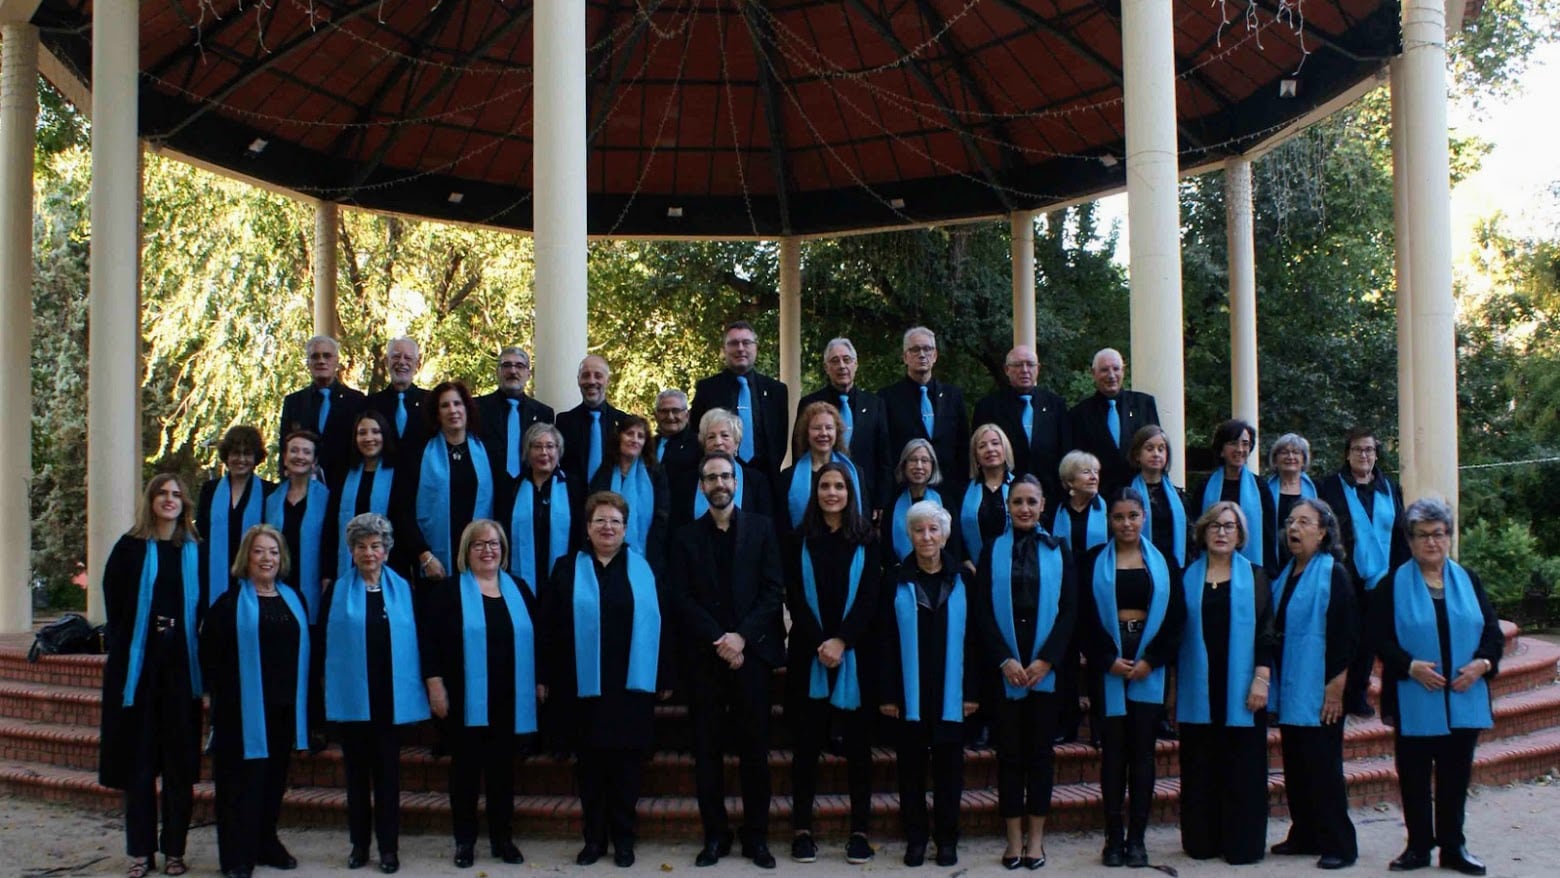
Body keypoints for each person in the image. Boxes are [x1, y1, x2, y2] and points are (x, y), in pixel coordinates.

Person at [1369, 498, 1502, 876]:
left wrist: (1482, 663)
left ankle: (1453, 847)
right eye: (1423, 535)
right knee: (1412, 777)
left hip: (1464, 693)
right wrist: (1409, 666)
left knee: (1455, 777)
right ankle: (1417, 847)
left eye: (1439, 534)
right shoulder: (1392, 584)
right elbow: (1378, 637)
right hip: (1415, 696)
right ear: (1410, 542)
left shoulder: (1468, 579)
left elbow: (1492, 631)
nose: (1432, 542)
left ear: (1449, 537)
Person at [540, 492, 672, 868]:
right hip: (582, 687)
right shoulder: (566, 568)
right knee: (591, 770)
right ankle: (593, 840)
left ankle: (624, 840)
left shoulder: (644, 570)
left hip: (631, 688)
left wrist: (663, 674)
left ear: (626, 528)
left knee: (628, 770)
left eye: (615, 521)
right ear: (587, 527)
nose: (607, 527)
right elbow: (549, 628)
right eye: (600, 520)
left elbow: (663, 626)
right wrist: (544, 676)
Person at [669, 451, 785, 869]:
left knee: (755, 752)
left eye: (725, 476)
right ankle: (714, 835)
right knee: (708, 753)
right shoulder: (685, 537)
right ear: (701, 486)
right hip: (705, 658)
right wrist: (719, 638)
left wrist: (740, 637)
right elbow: (680, 597)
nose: (719, 483)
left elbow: (774, 590)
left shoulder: (762, 529)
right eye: (711, 478)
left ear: (736, 482)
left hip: (751, 656)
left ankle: (757, 837)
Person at [99, 475, 204, 878]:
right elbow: (116, 607)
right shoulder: (128, 549)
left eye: (177, 494)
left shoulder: (194, 550)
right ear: (150, 500)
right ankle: (140, 852)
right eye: (162, 493)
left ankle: (175, 850)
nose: (169, 500)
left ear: (185, 504)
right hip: (138, 672)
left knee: (179, 767)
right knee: (139, 767)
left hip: (182, 670)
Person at [421, 520, 542, 869]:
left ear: (503, 551)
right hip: (463, 699)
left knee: (503, 773)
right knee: (466, 773)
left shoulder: (518, 589)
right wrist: (434, 684)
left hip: (509, 698)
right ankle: (465, 841)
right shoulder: (447, 593)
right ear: (465, 551)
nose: (488, 550)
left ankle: (503, 839)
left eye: (494, 544)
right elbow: (429, 644)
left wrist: (538, 681)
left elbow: (538, 640)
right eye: (479, 544)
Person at [970, 477, 1076, 871]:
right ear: (1008, 507)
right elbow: (981, 610)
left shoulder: (1059, 549)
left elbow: (1069, 608)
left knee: (1041, 756)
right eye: (1017, 502)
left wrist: (1046, 660)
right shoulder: (991, 550)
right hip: (1007, 672)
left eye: (1032, 501)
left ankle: (1036, 841)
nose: (1025, 508)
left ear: (1044, 504)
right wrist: (1005, 660)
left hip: (1045, 670)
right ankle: (1013, 840)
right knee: (1010, 755)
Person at [318, 513, 431, 874]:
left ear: (386, 551)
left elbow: (419, 641)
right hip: (353, 698)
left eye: (376, 546)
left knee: (387, 778)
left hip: (389, 698)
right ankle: (358, 846)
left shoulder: (404, 590)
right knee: (355, 778)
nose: (369, 553)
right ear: (351, 551)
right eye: (361, 546)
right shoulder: (336, 591)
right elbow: (323, 644)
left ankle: (388, 849)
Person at [1078, 487, 1184, 868]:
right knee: (1113, 757)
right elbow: (1083, 619)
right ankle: (1113, 838)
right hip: (1109, 667)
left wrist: (1151, 661)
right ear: (1110, 521)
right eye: (1119, 517)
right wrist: (1106, 658)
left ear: (1144, 519)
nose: (1126, 523)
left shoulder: (1165, 562)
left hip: (1147, 669)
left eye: (1133, 516)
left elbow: (1176, 620)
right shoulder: (1091, 562)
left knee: (1142, 756)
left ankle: (1138, 838)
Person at [783, 463, 881, 865]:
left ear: (850, 492)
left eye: (839, 486)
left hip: (855, 654)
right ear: (815, 492)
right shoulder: (797, 540)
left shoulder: (868, 539)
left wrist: (842, 640)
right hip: (809, 652)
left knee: (858, 750)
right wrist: (823, 641)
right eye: (825, 486)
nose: (832, 492)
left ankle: (860, 831)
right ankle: (802, 831)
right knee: (805, 748)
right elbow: (794, 597)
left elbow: (870, 598)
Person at [203, 525, 311, 878]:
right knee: (238, 785)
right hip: (241, 710)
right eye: (259, 551)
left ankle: (266, 842)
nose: (267, 559)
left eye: (274, 552)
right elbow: (211, 658)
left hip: (283, 709)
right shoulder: (227, 604)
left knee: (273, 780)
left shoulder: (294, 599)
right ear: (246, 557)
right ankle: (236, 857)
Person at [878, 501, 980, 867]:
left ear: (945, 534)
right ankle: (916, 839)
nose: (926, 537)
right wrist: (888, 693)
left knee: (950, 770)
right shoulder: (894, 578)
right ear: (909, 534)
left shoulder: (963, 578)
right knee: (911, 770)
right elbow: (885, 640)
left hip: (951, 690)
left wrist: (971, 691)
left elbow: (975, 640)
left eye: (933, 529)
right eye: (919, 530)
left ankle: (947, 840)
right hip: (910, 691)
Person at [1176, 502, 1275, 865]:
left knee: (1243, 767)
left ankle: (1242, 843)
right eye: (1215, 525)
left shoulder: (1257, 577)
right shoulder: (1186, 577)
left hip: (1243, 688)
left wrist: (1261, 679)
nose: (1221, 532)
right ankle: (1202, 839)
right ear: (1203, 532)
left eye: (1229, 526)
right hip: (1197, 687)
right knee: (1200, 765)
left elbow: (1267, 634)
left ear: (1240, 535)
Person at [1268, 497, 1359, 870]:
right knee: (1297, 766)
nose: (1294, 528)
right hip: (1291, 686)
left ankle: (1340, 842)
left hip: (1321, 690)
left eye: (1304, 522)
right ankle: (1304, 833)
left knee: (1323, 768)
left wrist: (1336, 687)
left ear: (1323, 532)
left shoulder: (1332, 573)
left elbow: (1347, 634)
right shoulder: (1286, 573)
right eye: (1291, 521)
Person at [1319, 426, 1409, 718]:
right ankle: (1336, 690)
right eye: (1358, 449)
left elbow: (1400, 532)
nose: (1364, 455)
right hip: (1345, 575)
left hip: (1383, 577)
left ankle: (1358, 693)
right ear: (1347, 453)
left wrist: (1402, 573)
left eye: (1369, 449)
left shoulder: (1389, 488)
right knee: (1345, 635)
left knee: (1370, 639)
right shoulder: (1329, 487)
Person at [394, 381, 498, 583]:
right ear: (437, 414)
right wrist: (424, 555)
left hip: (479, 559)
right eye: (445, 405)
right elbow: (402, 510)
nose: (453, 410)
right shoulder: (419, 455)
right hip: (433, 564)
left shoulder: (488, 452)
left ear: (467, 408)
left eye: (457, 404)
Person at [689, 320, 790, 489]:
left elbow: (780, 438)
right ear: (724, 350)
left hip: (767, 481)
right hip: (721, 481)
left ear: (755, 347)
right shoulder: (708, 389)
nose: (740, 348)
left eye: (746, 343)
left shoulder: (776, 391)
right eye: (734, 343)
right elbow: (697, 434)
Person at [797, 338, 892, 514]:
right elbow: (800, 450)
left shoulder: (875, 404)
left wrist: (881, 501)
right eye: (835, 361)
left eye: (847, 360)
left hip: (865, 496)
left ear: (856, 364)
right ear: (826, 368)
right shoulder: (810, 404)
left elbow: (883, 456)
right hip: (822, 493)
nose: (842, 366)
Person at [972, 345, 1071, 506]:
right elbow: (978, 451)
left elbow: (1065, 449)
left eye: (1030, 364)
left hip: (1050, 494)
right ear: (1006, 369)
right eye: (1018, 365)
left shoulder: (1056, 405)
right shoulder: (988, 407)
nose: (1024, 370)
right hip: (1004, 494)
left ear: (1038, 369)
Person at [879, 327, 969, 491]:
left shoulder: (953, 396)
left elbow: (963, 446)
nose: (922, 354)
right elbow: (883, 449)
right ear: (905, 357)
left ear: (935, 356)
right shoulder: (887, 398)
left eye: (927, 349)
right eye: (915, 349)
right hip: (904, 490)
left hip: (948, 489)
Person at [197, 425, 273, 604]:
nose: (241, 459)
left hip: (254, 577)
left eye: (247, 454)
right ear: (226, 456)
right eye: (235, 453)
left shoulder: (269, 492)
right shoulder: (210, 490)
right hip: (212, 576)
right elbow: (200, 534)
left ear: (256, 458)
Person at [503, 422, 582, 594]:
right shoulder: (512, 488)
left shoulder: (574, 488)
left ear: (558, 451)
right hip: (520, 581)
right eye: (537, 446)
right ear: (527, 452)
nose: (544, 453)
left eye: (550, 446)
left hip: (564, 580)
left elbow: (581, 534)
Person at [1068, 348, 1159, 496]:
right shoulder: (1079, 414)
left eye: (1116, 369)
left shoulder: (1144, 404)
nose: (1111, 375)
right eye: (1104, 370)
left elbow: (1157, 448)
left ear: (1123, 371)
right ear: (1093, 373)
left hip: (1141, 493)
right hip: (1098, 496)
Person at [278, 335, 366, 483]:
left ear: (337, 361)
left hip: (345, 486)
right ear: (308, 363)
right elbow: (284, 449)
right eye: (315, 356)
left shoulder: (356, 400)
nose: (321, 361)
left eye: (327, 356)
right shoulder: (294, 402)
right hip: (303, 486)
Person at [263, 430, 331, 620]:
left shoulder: (327, 498)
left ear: (315, 461)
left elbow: (331, 543)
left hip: (314, 585)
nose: (300, 456)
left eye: (306, 452)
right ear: (285, 458)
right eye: (294, 451)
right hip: (279, 582)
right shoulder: (272, 500)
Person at [589, 414, 669, 573]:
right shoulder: (604, 473)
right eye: (629, 434)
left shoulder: (656, 473)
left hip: (648, 553)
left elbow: (662, 514)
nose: (635, 439)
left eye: (641, 436)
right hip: (605, 553)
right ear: (619, 437)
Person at [671, 408, 775, 530]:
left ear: (736, 443)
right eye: (711, 437)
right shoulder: (685, 482)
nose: (718, 442)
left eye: (725, 435)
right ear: (704, 444)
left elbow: (765, 529)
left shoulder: (757, 481)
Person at [1192, 419, 1274, 573]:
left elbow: (1269, 535)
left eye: (1245, 444)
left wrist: (1267, 574)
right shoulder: (1204, 486)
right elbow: (1197, 529)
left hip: (1252, 568)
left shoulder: (1261, 488)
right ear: (1221, 449)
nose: (1240, 449)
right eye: (1233, 443)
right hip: (1210, 567)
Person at [326, 411, 397, 581]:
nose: (369, 438)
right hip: (347, 564)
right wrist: (327, 573)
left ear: (384, 435)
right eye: (362, 433)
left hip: (388, 565)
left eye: (375, 431)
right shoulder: (342, 475)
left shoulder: (398, 475)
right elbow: (331, 526)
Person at [779, 401, 865, 532]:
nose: (823, 433)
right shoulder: (788, 477)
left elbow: (864, 518)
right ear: (806, 433)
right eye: (817, 428)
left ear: (837, 432)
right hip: (800, 547)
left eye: (829, 428)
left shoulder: (855, 473)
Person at [475, 346, 555, 487]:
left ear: (528, 374)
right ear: (497, 372)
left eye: (519, 366)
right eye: (507, 365)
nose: (513, 371)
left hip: (529, 490)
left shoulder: (544, 413)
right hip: (487, 489)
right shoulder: (477, 408)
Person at [556, 355, 628, 486]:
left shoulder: (624, 422)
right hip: (573, 502)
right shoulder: (564, 422)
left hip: (613, 501)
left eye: (598, 376)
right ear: (578, 380)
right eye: (586, 375)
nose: (591, 381)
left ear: (608, 381)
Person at [1128, 425, 1190, 571]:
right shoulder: (1127, 494)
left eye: (1161, 449)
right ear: (1137, 455)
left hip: (1173, 567)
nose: (1156, 454)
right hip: (1139, 568)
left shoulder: (1179, 496)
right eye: (1149, 449)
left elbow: (1189, 538)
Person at [956, 423, 1015, 571]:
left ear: (1005, 449)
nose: (990, 449)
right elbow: (955, 533)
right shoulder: (962, 492)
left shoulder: (1020, 487)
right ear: (975, 456)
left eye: (995, 443)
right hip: (974, 572)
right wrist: (966, 560)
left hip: (1016, 570)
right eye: (982, 446)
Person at [883, 439, 949, 564]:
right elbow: (887, 549)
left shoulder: (945, 502)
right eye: (913, 460)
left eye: (924, 461)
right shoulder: (892, 506)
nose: (919, 466)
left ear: (932, 465)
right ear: (904, 465)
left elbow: (953, 545)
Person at [1266, 433, 1318, 572]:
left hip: (1305, 556)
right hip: (1271, 558)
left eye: (1296, 452)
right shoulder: (1263, 489)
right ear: (1275, 459)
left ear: (1304, 460)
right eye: (1284, 452)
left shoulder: (1317, 490)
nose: (1290, 457)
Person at [365, 337, 429, 446]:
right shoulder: (370, 404)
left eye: (408, 358)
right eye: (396, 356)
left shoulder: (431, 401)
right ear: (386, 362)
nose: (401, 362)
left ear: (417, 365)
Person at [655, 389, 701, 515]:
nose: (670, 417)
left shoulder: (699, 444)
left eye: (675, 411)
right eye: (664, 411)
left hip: (685, 517)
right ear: (656, 415)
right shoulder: (648, 445)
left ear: (687, 415)